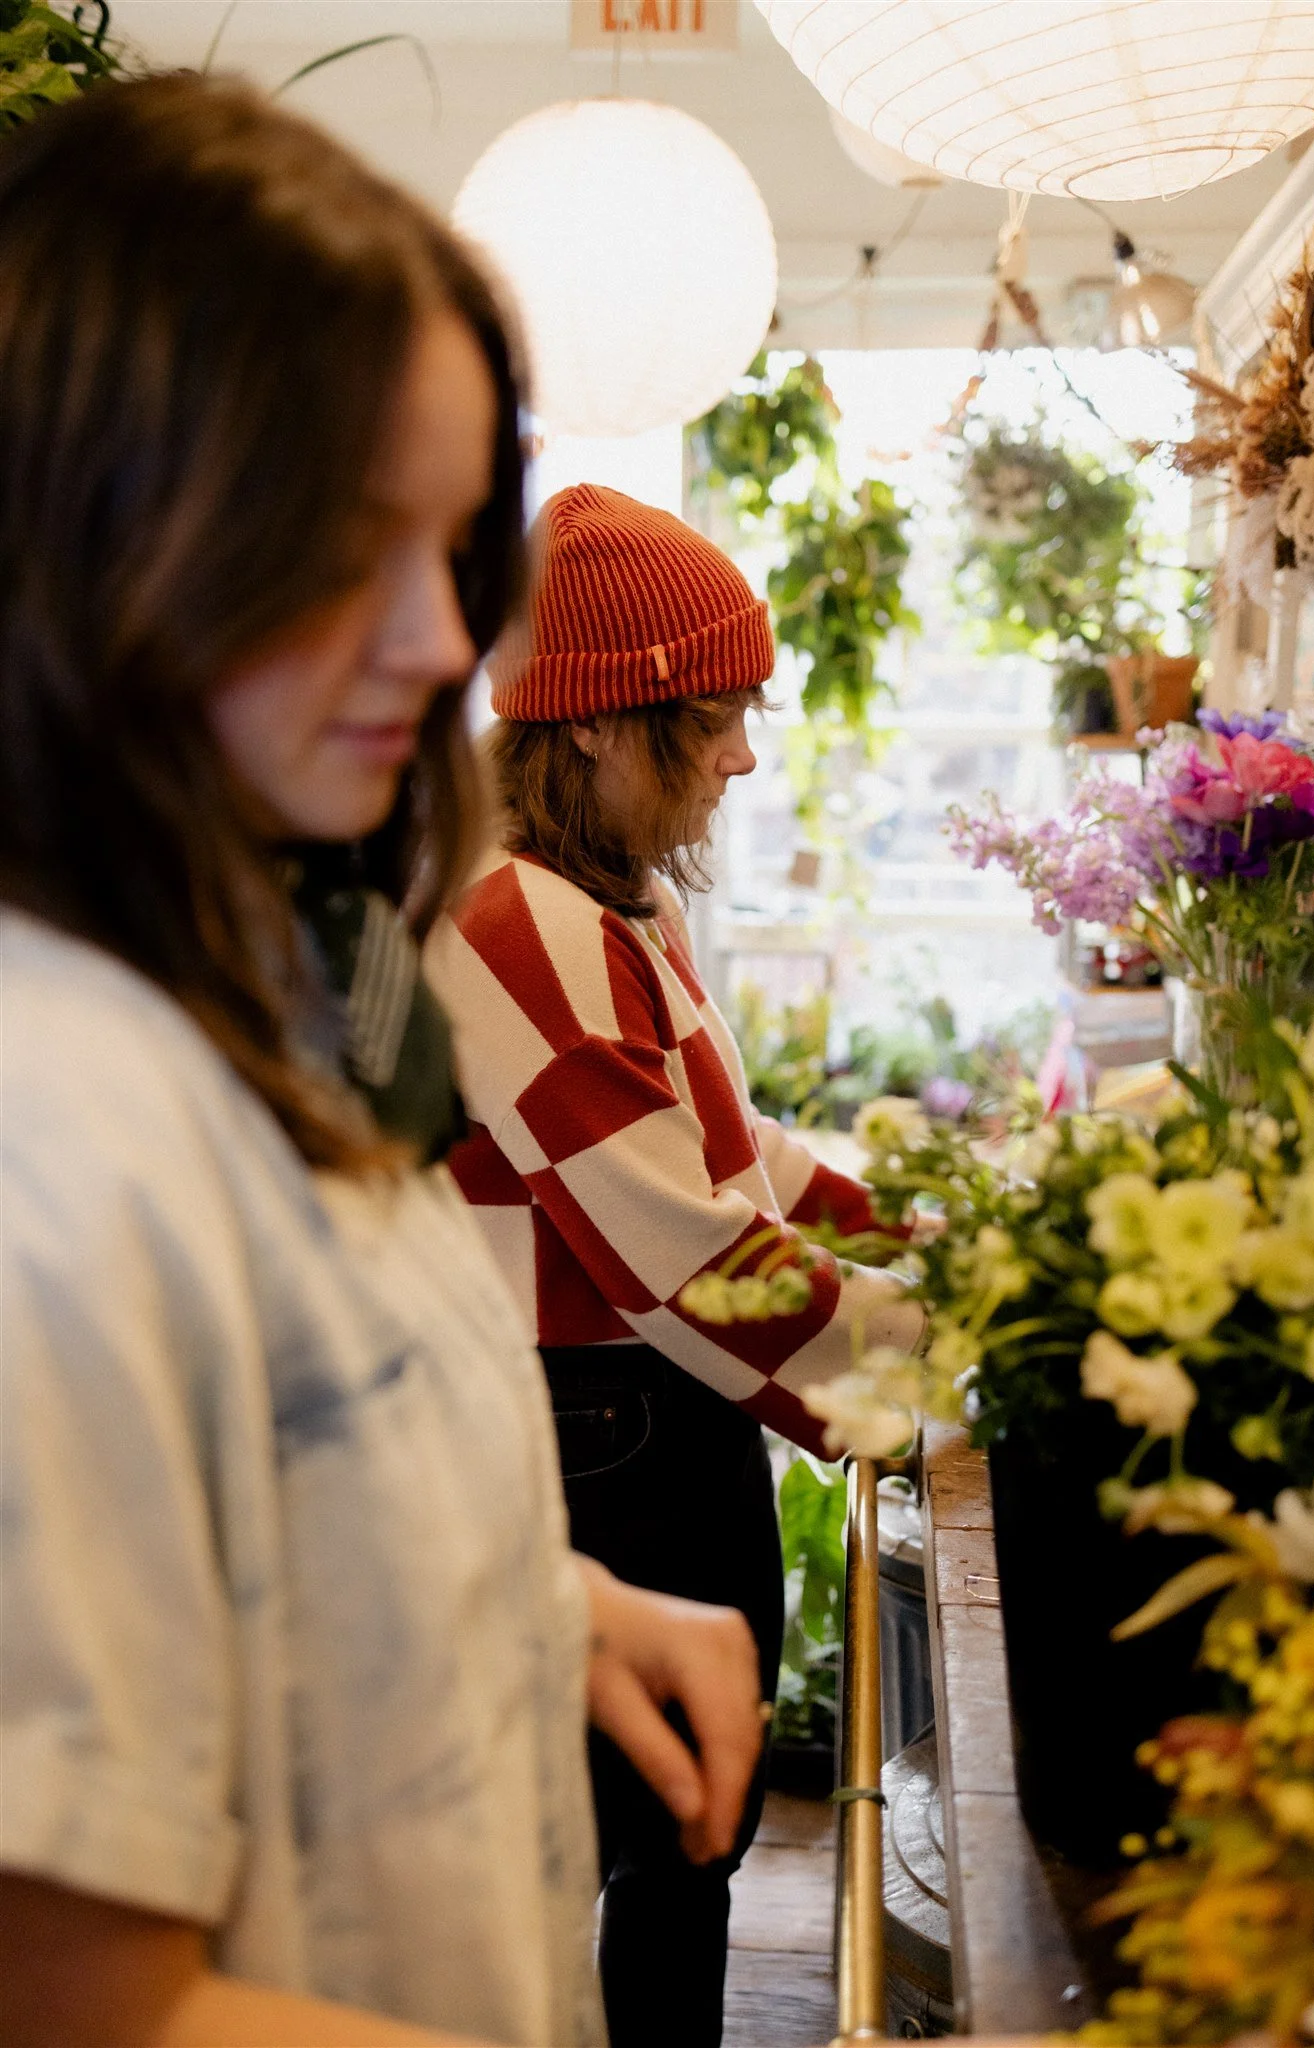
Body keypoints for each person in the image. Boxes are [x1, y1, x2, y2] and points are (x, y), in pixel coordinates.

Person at [0, 80, 766, 2048]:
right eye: (352, 548)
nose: (441, 643)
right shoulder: (49, 1133)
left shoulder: (302, 949)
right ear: (96, 522)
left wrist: (543, 1605)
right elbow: (74, 1993)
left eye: (452, 552)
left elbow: (276, 1455)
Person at [424, 484, 928, 2048]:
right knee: (645, 1844)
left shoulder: (608, 902)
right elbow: (680, 1258)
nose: (742, 755)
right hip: (601, 1436)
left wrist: (915, 1244)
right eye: (713, 719)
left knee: (677, 1849)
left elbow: (732, 1158)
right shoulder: (520, 923)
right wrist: (914, 1368)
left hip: (643, 1424)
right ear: (592, 726)